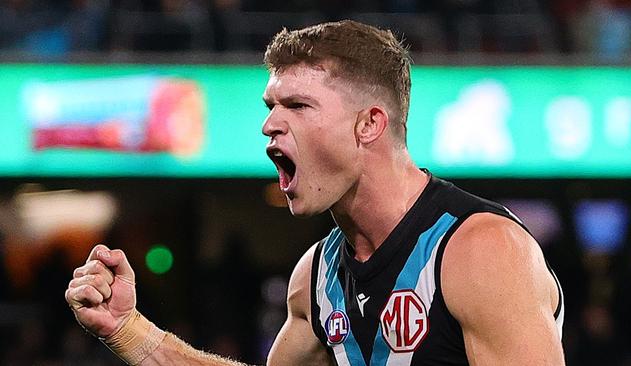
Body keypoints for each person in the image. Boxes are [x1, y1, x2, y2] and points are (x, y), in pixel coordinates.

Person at [65, 20, 565, 365]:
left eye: (298, 106)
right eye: (271, 105)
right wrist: (128, 329)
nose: (269, 125)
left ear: (369, 124)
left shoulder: (482, 252)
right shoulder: (317, 278)